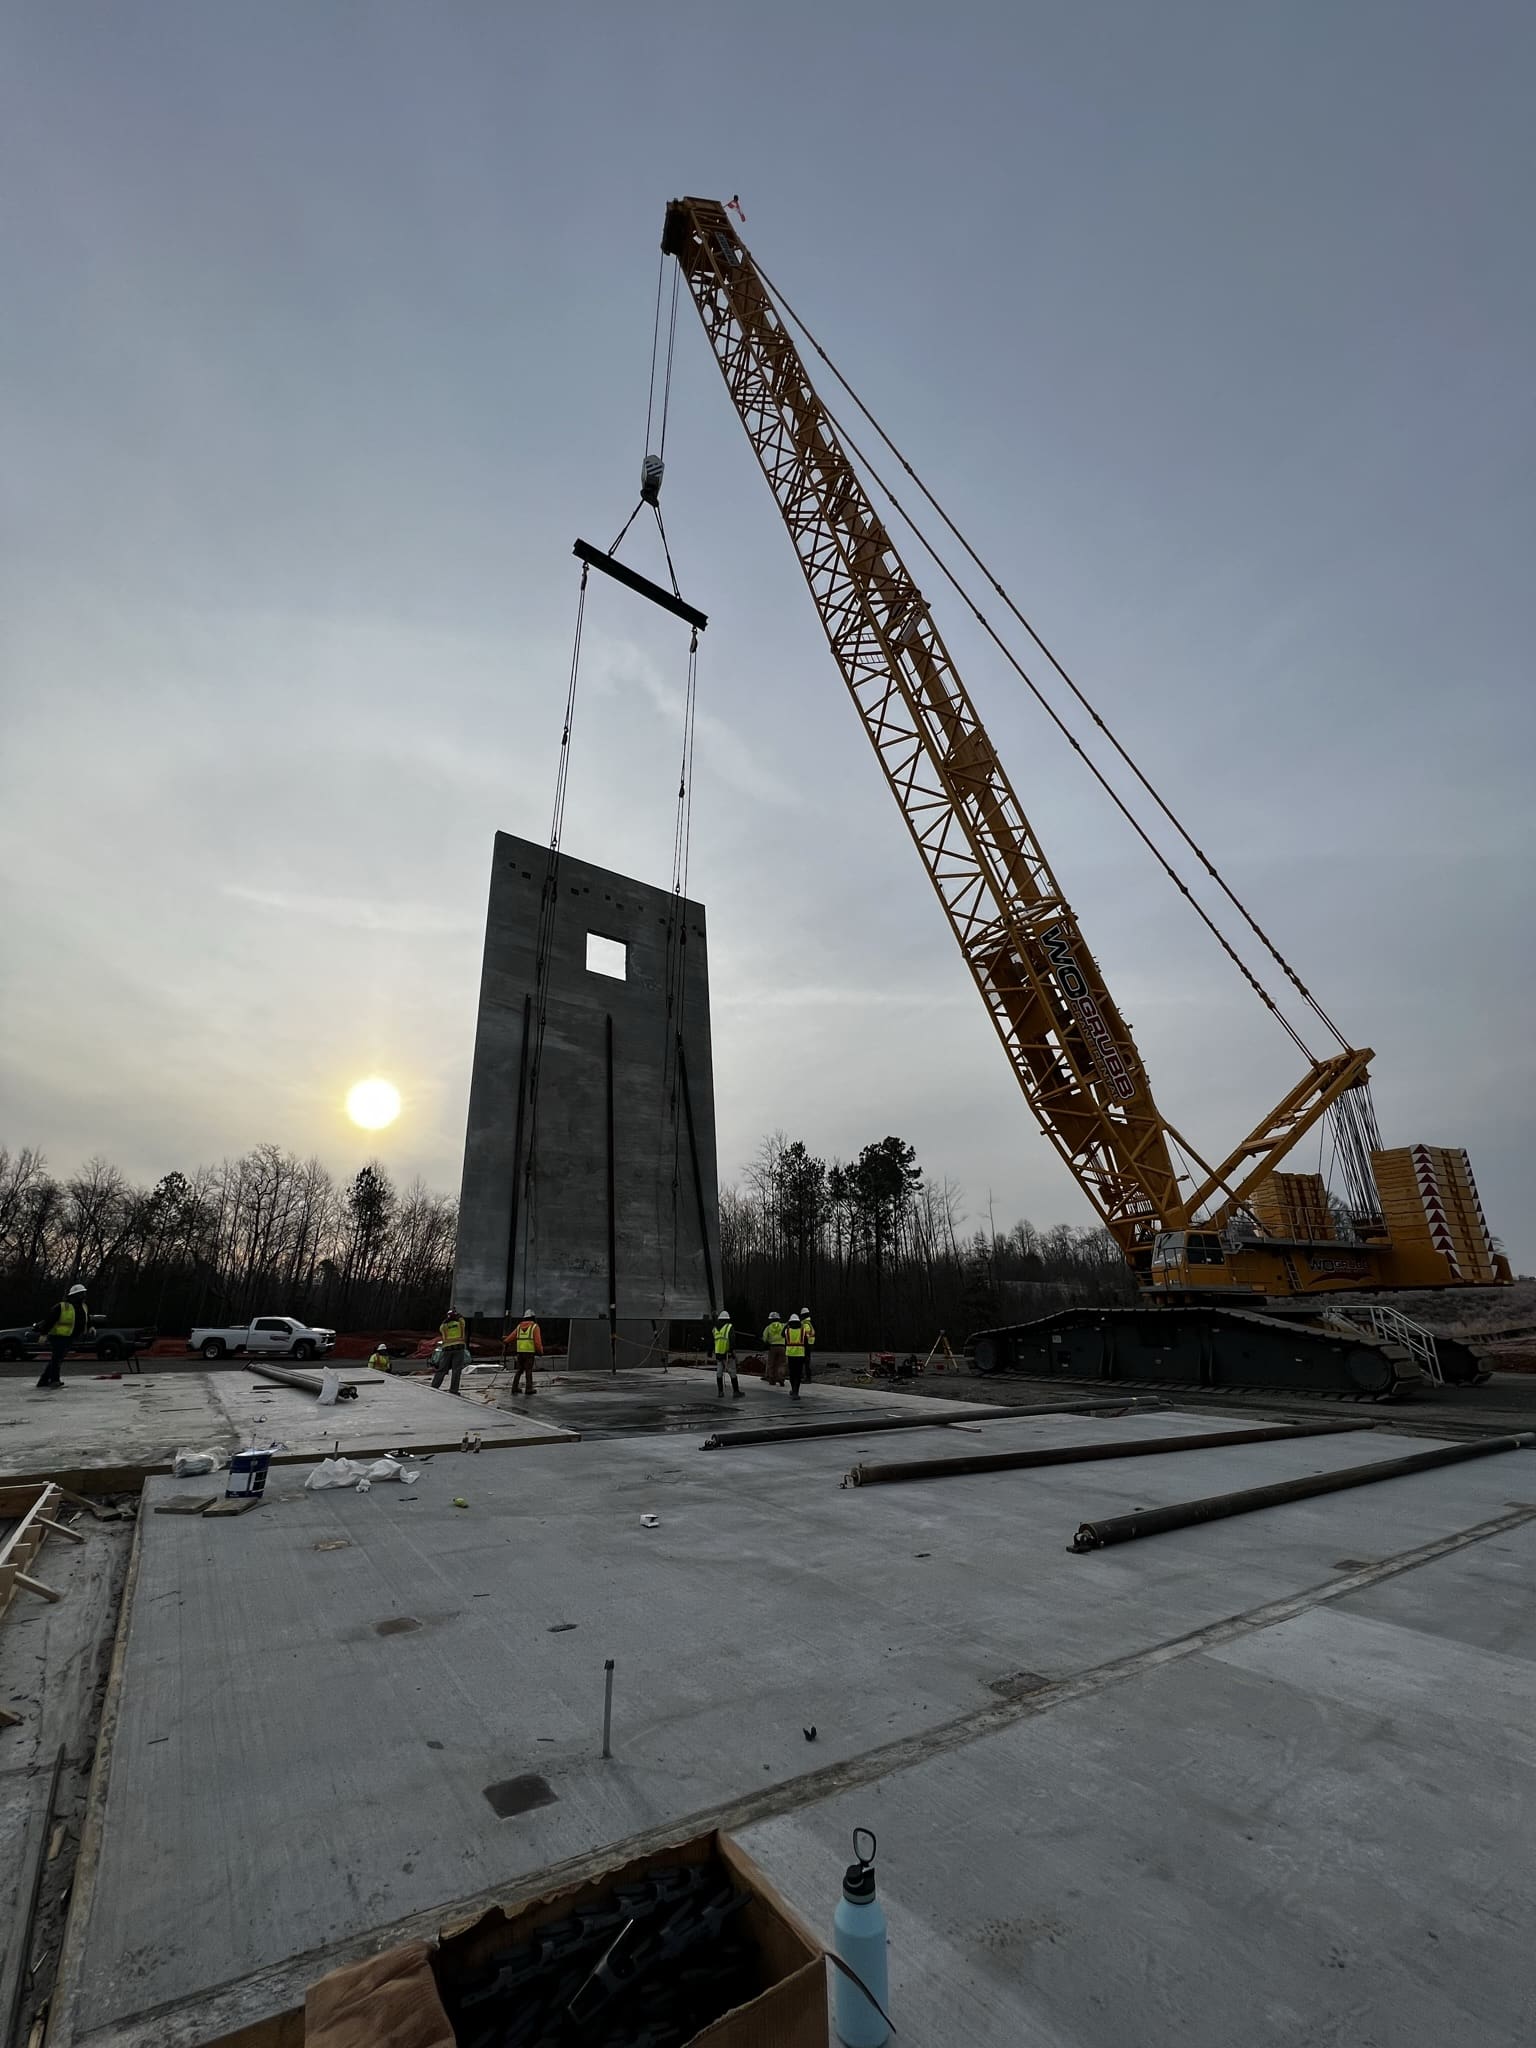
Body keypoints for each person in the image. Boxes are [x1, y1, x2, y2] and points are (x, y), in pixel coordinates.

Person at [34, 1282, 88, 1390]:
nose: (83, 1296)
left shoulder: (83, 1307)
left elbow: (86, 1318)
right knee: (57, 1358)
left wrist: (90, 1327)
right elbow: (49, 1320)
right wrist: (44, 1334)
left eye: (83, 1294)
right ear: (74, 1295)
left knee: (58, 1358)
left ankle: (44, 1380)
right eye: (81, 1294)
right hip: (58, 1336)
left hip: (70, 1336)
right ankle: (54, 1380)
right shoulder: (62, 1306)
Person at [433, 1307, 469, 1395]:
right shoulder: (460, 1323)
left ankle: (434, 1386)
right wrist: (457, 1314)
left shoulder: (444, 1326)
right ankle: (453, 1390)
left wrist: (447, 1319)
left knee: (442, 1369)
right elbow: (461, 1319)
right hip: (458, 1348)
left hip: (447, 1349)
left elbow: (441, 1328)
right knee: (456, 1370)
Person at [508, 1309, 542, 1397]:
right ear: (533, 1318)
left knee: (519, 1370)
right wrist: (540, 1351)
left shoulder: (519, 1326)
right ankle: (529, 1388)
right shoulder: (535, 1327)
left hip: (520, 1352)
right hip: (529, 1353)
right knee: (528, 1370)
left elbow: (512, 1336)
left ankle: (514, 1387)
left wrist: (505, 1341)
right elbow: (537, 1342)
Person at [712, 1310, 744, 1399]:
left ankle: (720, 1392)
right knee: (732, 1372)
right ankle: (736, 1391)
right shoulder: (729, 1327)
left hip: (718, 1354)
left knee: (719, 1373)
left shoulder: (715, 1328)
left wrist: (710, 1351)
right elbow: (732, 1340)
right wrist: (732, 1352)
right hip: (727, 1354)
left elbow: (713, 1340)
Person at [785, 1313, 808, 1400]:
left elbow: (782, 1335)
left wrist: (787, 1324)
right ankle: (796, 1391)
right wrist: (806, 1355)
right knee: (798, 1374)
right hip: (800, 1355)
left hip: (791, 1355)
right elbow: (806, 1344)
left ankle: (793, 1390)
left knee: (792, 1373)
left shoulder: (787, 1331)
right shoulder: (802, 1331)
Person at [762, 1309, 786, 1387]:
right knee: (781, 1364)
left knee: (771, 1364)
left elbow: (764, 1338)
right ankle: (781, 1378)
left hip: (772, 1347)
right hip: (782, 1347)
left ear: (771, 1319)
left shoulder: (768, 1327)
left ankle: (772, 1379)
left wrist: (767, 1342)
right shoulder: (783, 1326)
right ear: (779, 1318)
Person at [800, 1306, 817, 1381]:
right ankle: (805, 1376)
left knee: (805, 1361)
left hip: (806, 1344)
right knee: (805, 1361)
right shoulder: (809, 1322)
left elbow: (805, 1335)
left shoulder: (805, 1323)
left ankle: (807, 1378)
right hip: (809, 1344)